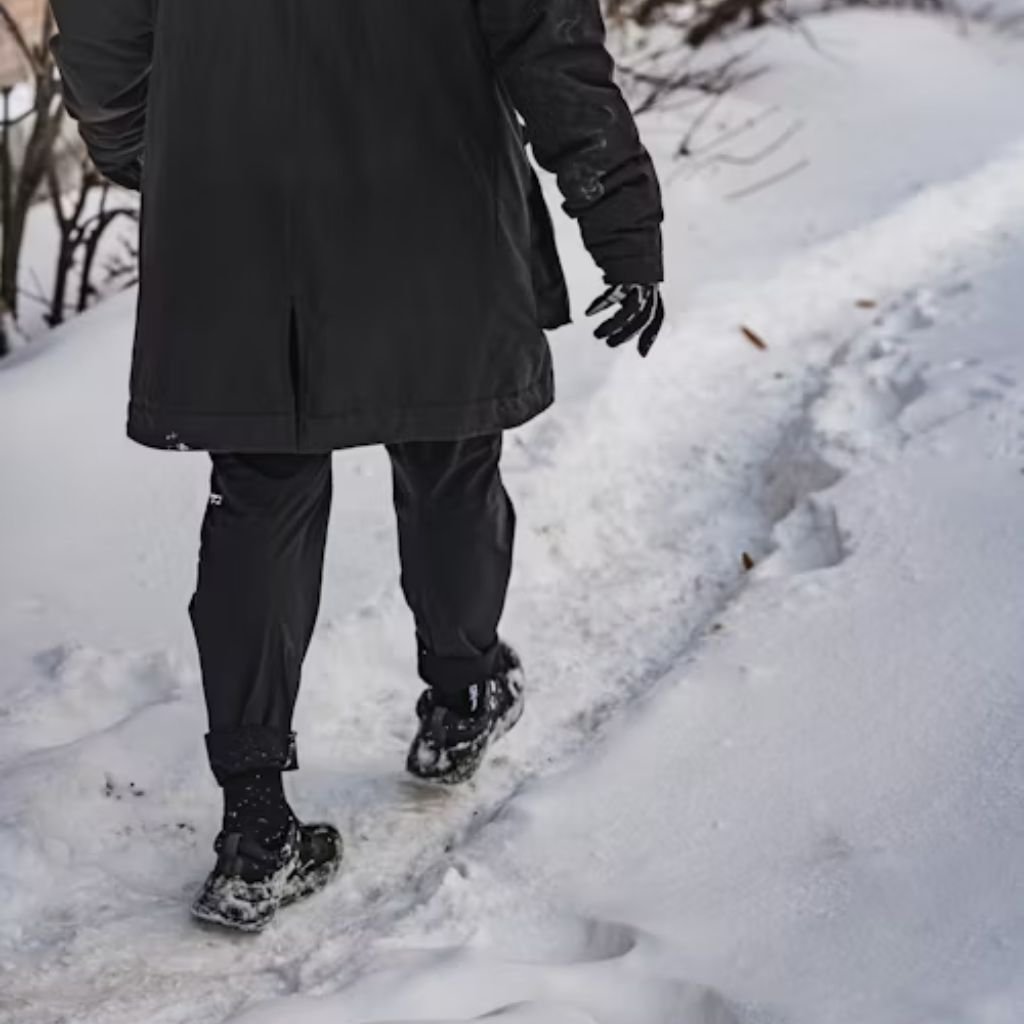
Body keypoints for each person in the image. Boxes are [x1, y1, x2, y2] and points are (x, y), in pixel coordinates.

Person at [50, 0, 665, 933]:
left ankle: (256, 824)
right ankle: (463, 697)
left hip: (235, 191)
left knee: (261, 490)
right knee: (449, 451)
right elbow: (547, 35)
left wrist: (155, 139)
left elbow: (99, 24)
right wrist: (619, 219)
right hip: (435, 188)